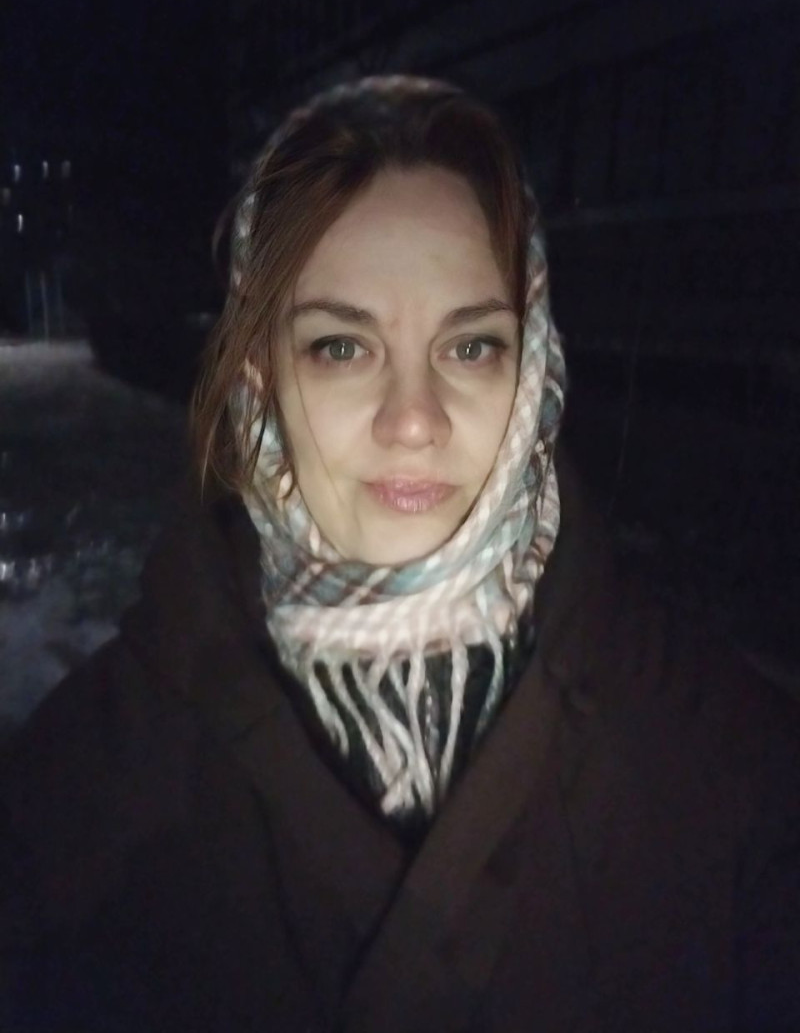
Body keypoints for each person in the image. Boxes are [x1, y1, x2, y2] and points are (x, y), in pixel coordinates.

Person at [1, 75, 799, 1033]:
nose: (413, 420)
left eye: (471, 348)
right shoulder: (70, 804)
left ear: (533, 370)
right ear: (259, 379)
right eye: (342, 347)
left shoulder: (734, 768)